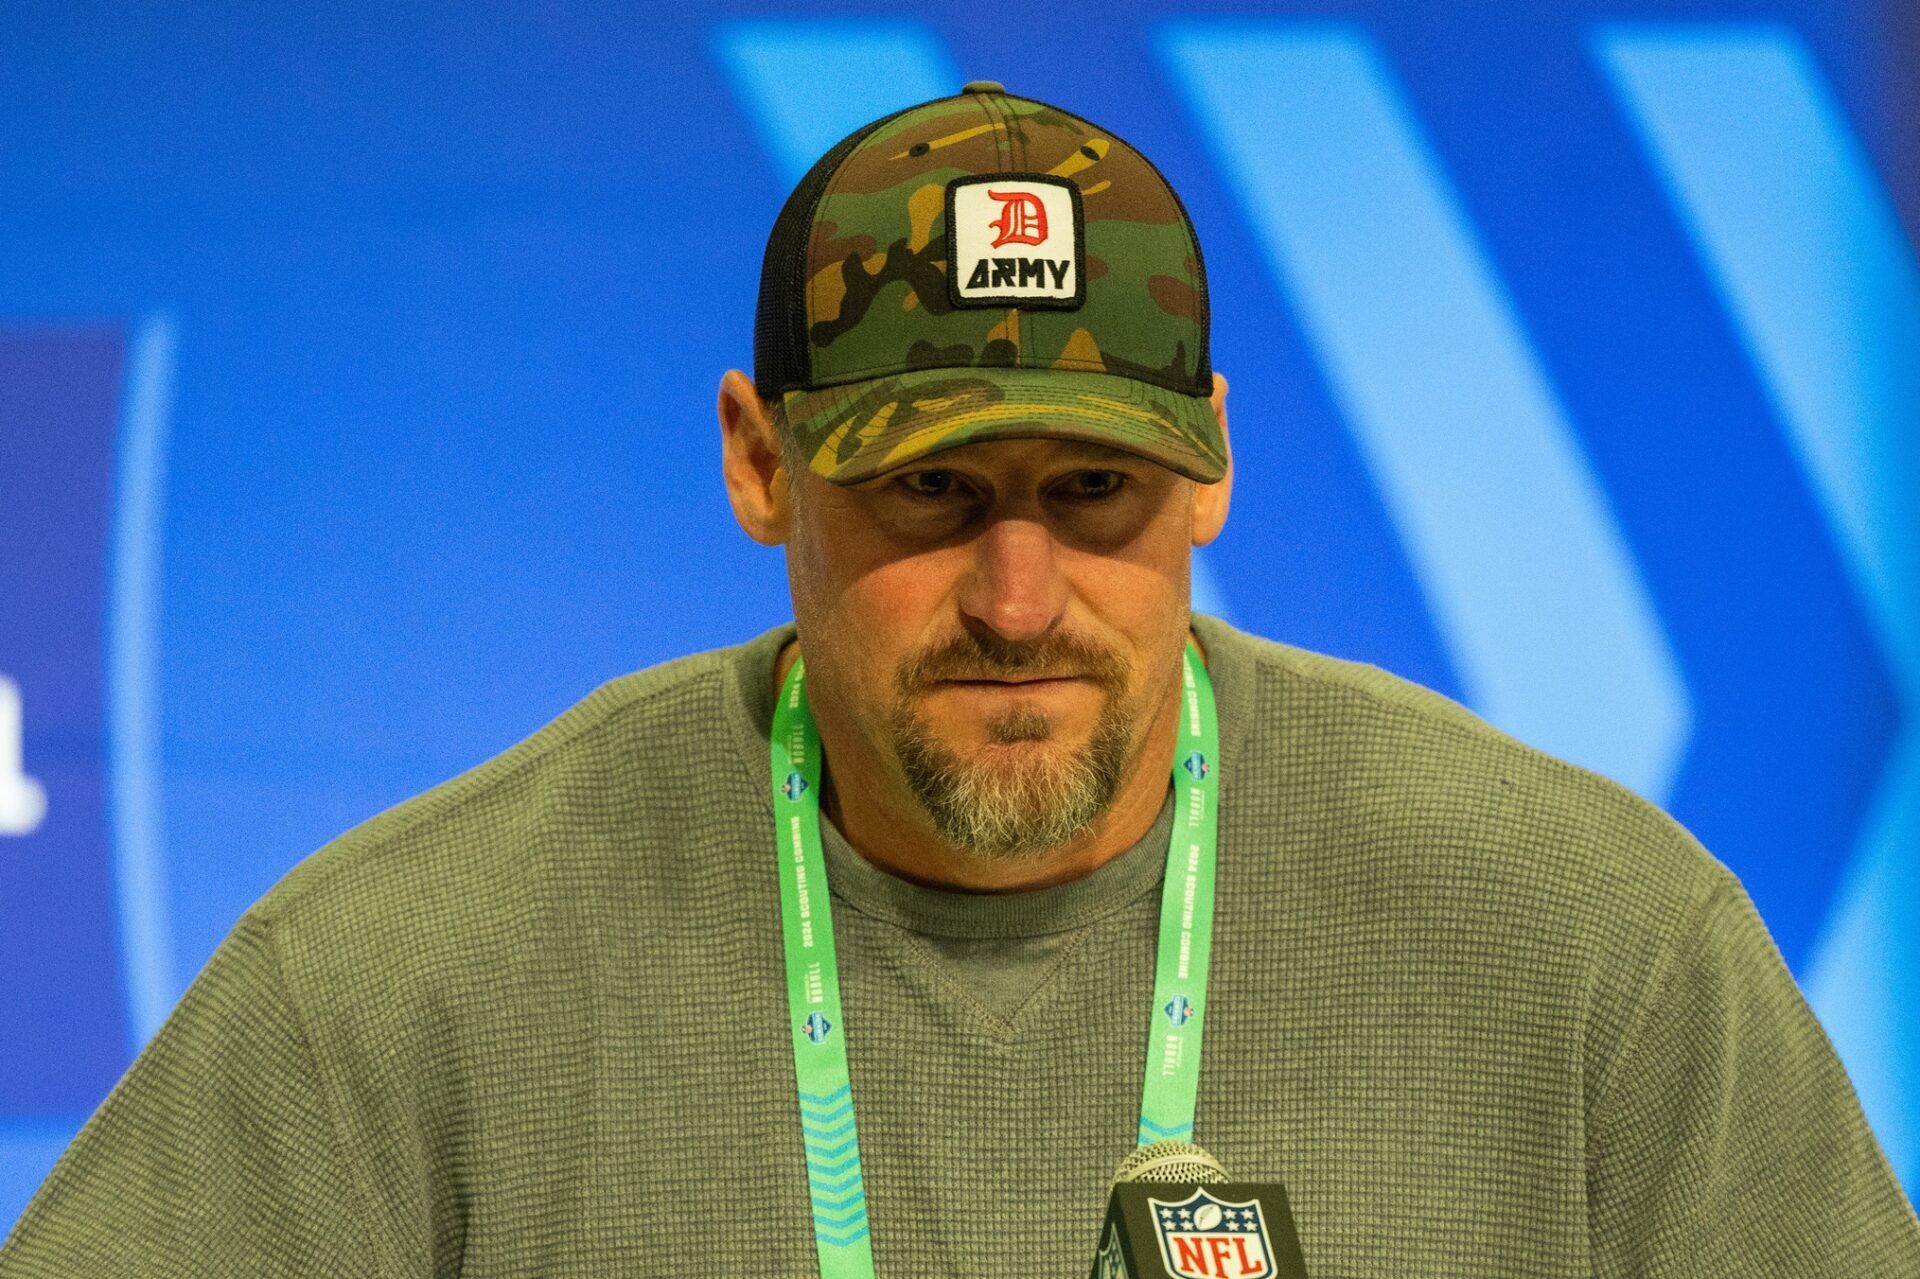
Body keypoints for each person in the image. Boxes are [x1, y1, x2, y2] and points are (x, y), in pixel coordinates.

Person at [3, 82, 1915, 1279]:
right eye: (930, 492)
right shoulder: (405, 987)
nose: (1020, 597)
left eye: (1093, 493)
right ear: (760, 463)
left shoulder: (1594, 952)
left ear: (1215, 463)